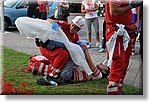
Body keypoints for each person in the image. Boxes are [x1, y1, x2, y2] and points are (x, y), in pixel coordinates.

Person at [35, 16, 109, 82]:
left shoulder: (98, 74)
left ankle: (40, 67)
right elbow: (49, 21)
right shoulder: (65, 25)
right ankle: (50, 71)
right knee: (70, 50)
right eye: (72, 25)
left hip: (61, 62)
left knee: (69, 50)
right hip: (49, 49)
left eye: (75, 27)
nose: (72, 27)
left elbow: (89, 64)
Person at [105, 0, 142, 95]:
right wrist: (131, 6)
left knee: (124, 61)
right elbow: (113, 11)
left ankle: (118, 88)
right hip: (117, 30)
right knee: (118, 61)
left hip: (124, 30)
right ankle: (113, 92)